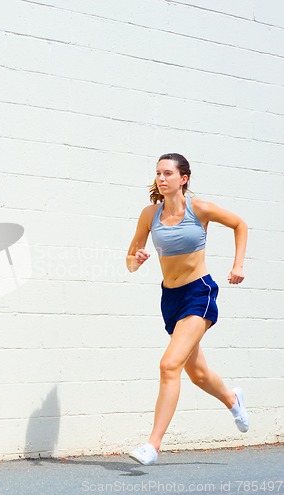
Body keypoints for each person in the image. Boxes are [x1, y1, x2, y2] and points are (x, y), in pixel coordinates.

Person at [125, 153, 249, 466]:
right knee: (197, 373)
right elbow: (129, 260)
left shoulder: (200, 209)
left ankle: (152, 445)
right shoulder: (149, 215)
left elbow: (239, 224)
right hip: (171, 298)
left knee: (169, 365)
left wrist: (237, 265)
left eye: (168, 173)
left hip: (199, 292)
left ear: (184, 179)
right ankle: (233, 400)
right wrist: (136, 260)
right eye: (158, 173)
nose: (161, 178)